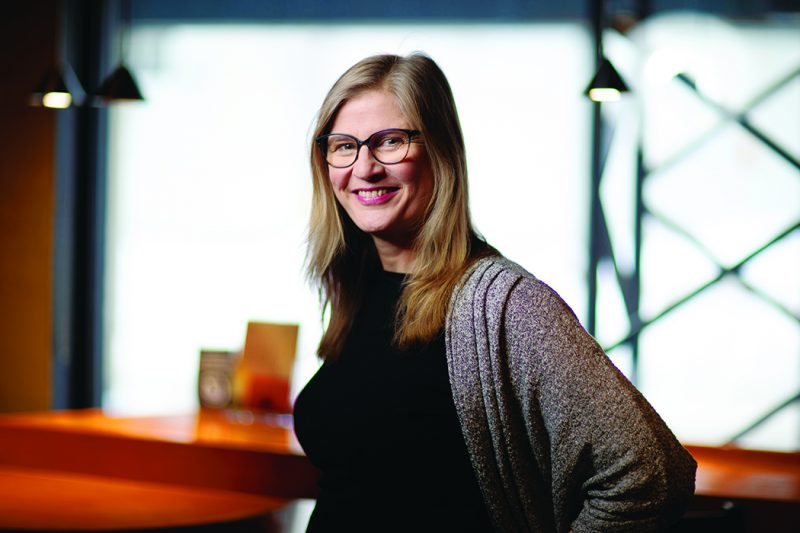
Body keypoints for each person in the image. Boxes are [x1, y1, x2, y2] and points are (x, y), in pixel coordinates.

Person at [292, 52, 696, 533]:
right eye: (344, 146)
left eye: (390, 142)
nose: (365, 167)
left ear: (441, 151)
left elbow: (650, 474)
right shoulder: (358, 286)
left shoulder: (503, 303)